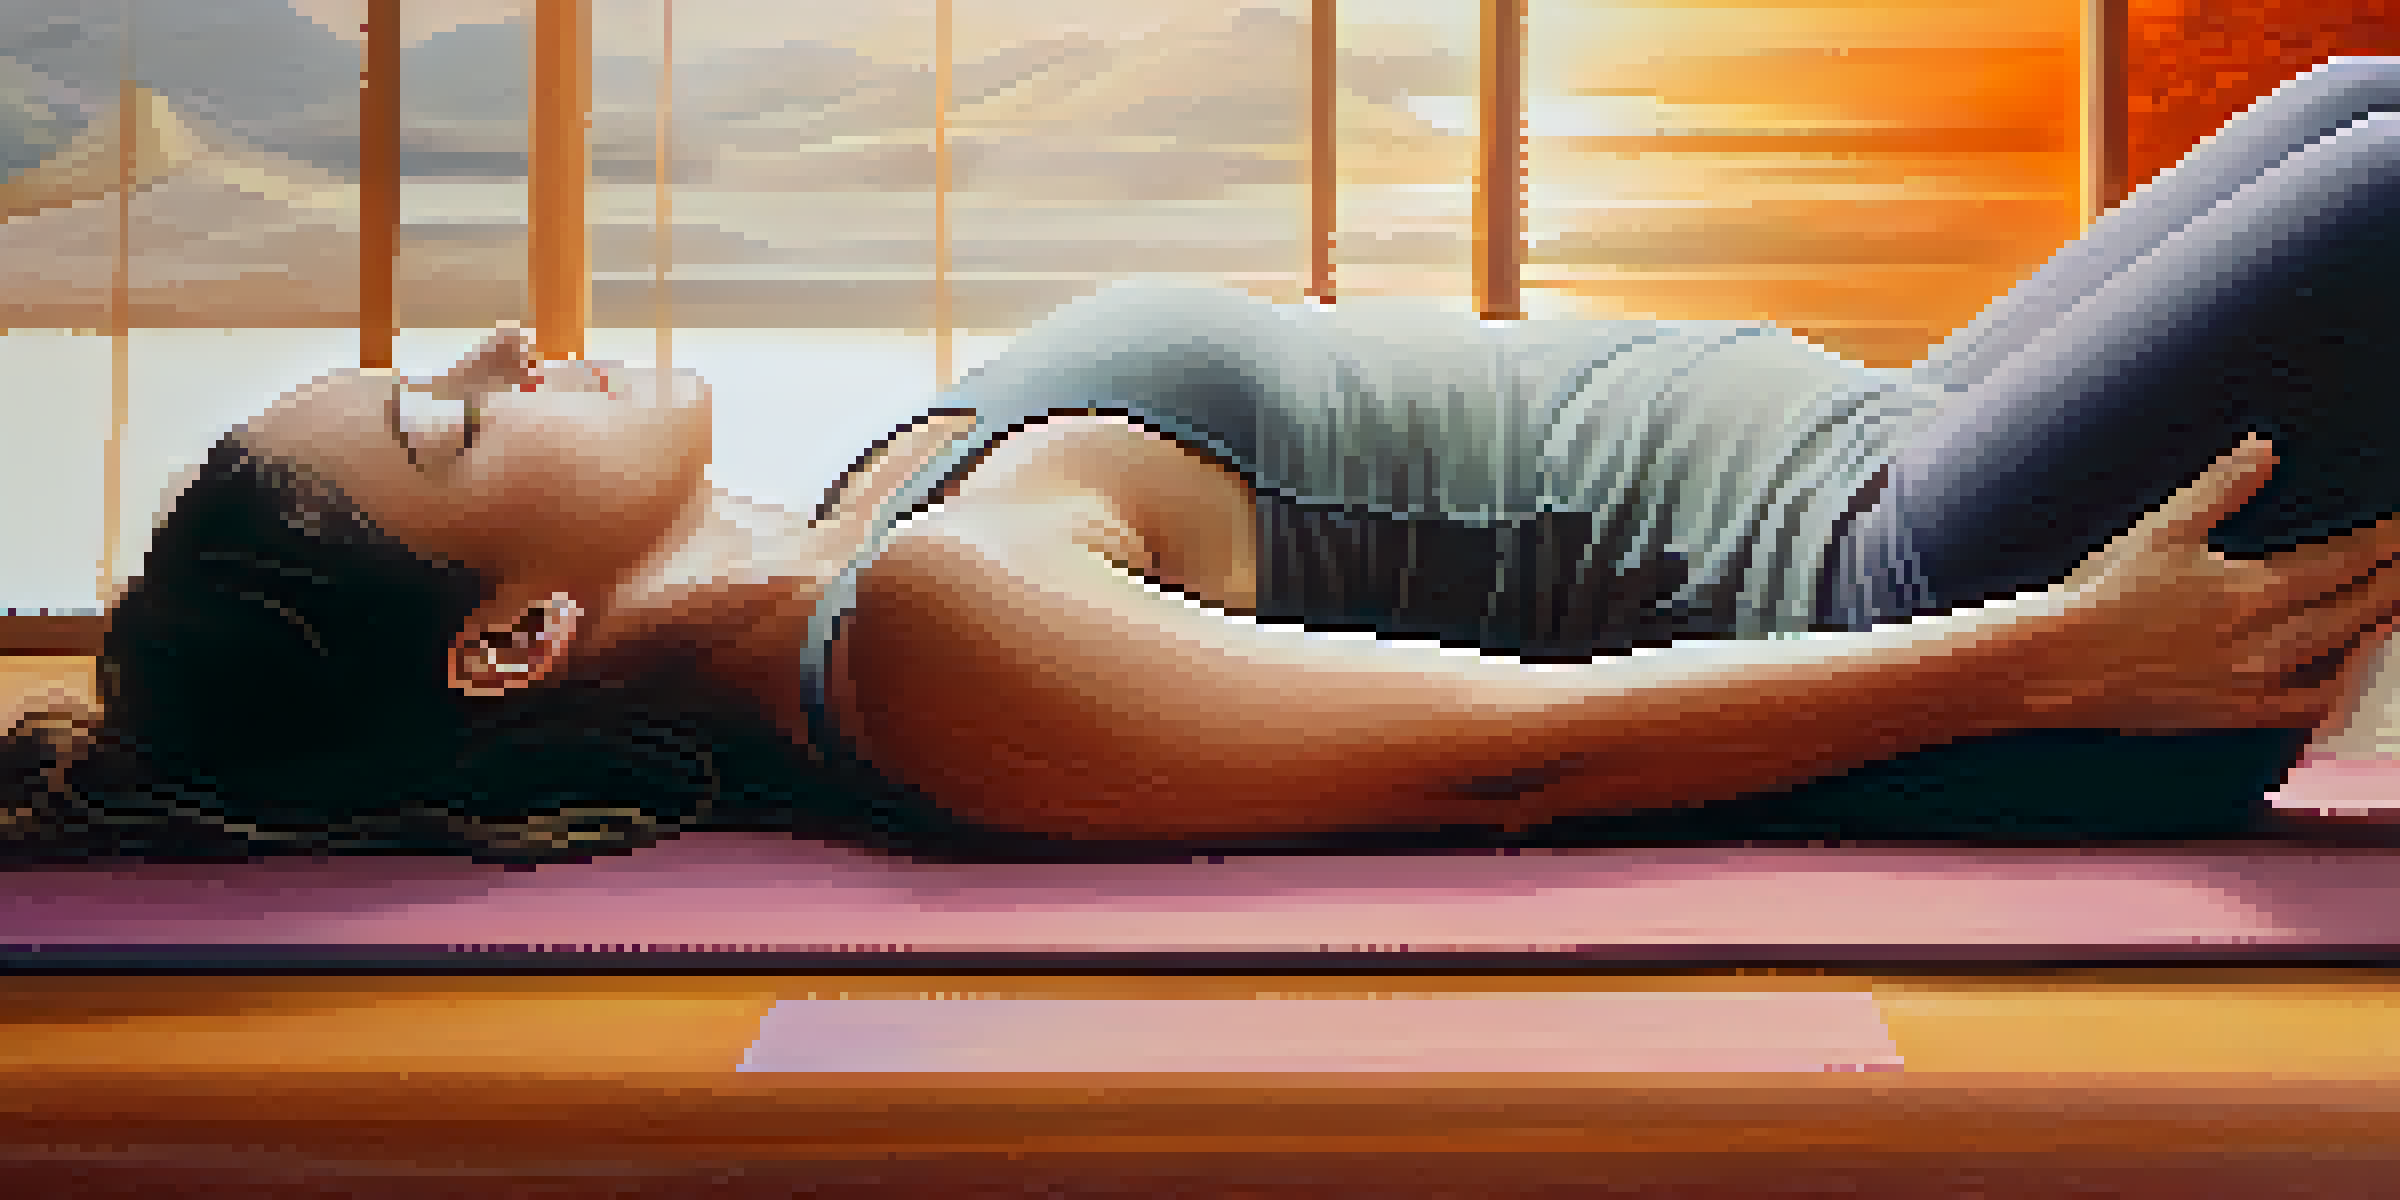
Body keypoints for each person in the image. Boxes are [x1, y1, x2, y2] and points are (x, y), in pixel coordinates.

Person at [11, 58, 2400, 866]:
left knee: (2342, 116)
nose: (513, 344)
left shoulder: (873, 516)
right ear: (515, 636)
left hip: (1902, 444)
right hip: (1921, 596)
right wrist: (2048, 660)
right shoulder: (934, 638)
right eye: (459, 413)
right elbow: (1507, 764)